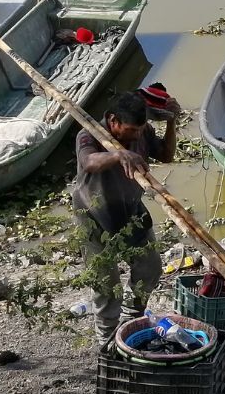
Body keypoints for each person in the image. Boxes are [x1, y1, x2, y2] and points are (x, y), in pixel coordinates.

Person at [72, 89, 180, 342]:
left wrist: (172, 122)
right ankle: (107, 340)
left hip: (130, 210)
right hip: (94, 215)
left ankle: (133, 317)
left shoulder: (142, 132)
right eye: (131, 130)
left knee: (150, 267)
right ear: (113, 121)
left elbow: (167, 154)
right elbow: (89, 162)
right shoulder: (89, 135)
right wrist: (119, 154)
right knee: (106, 285)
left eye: (140, 129)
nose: (137, 134)